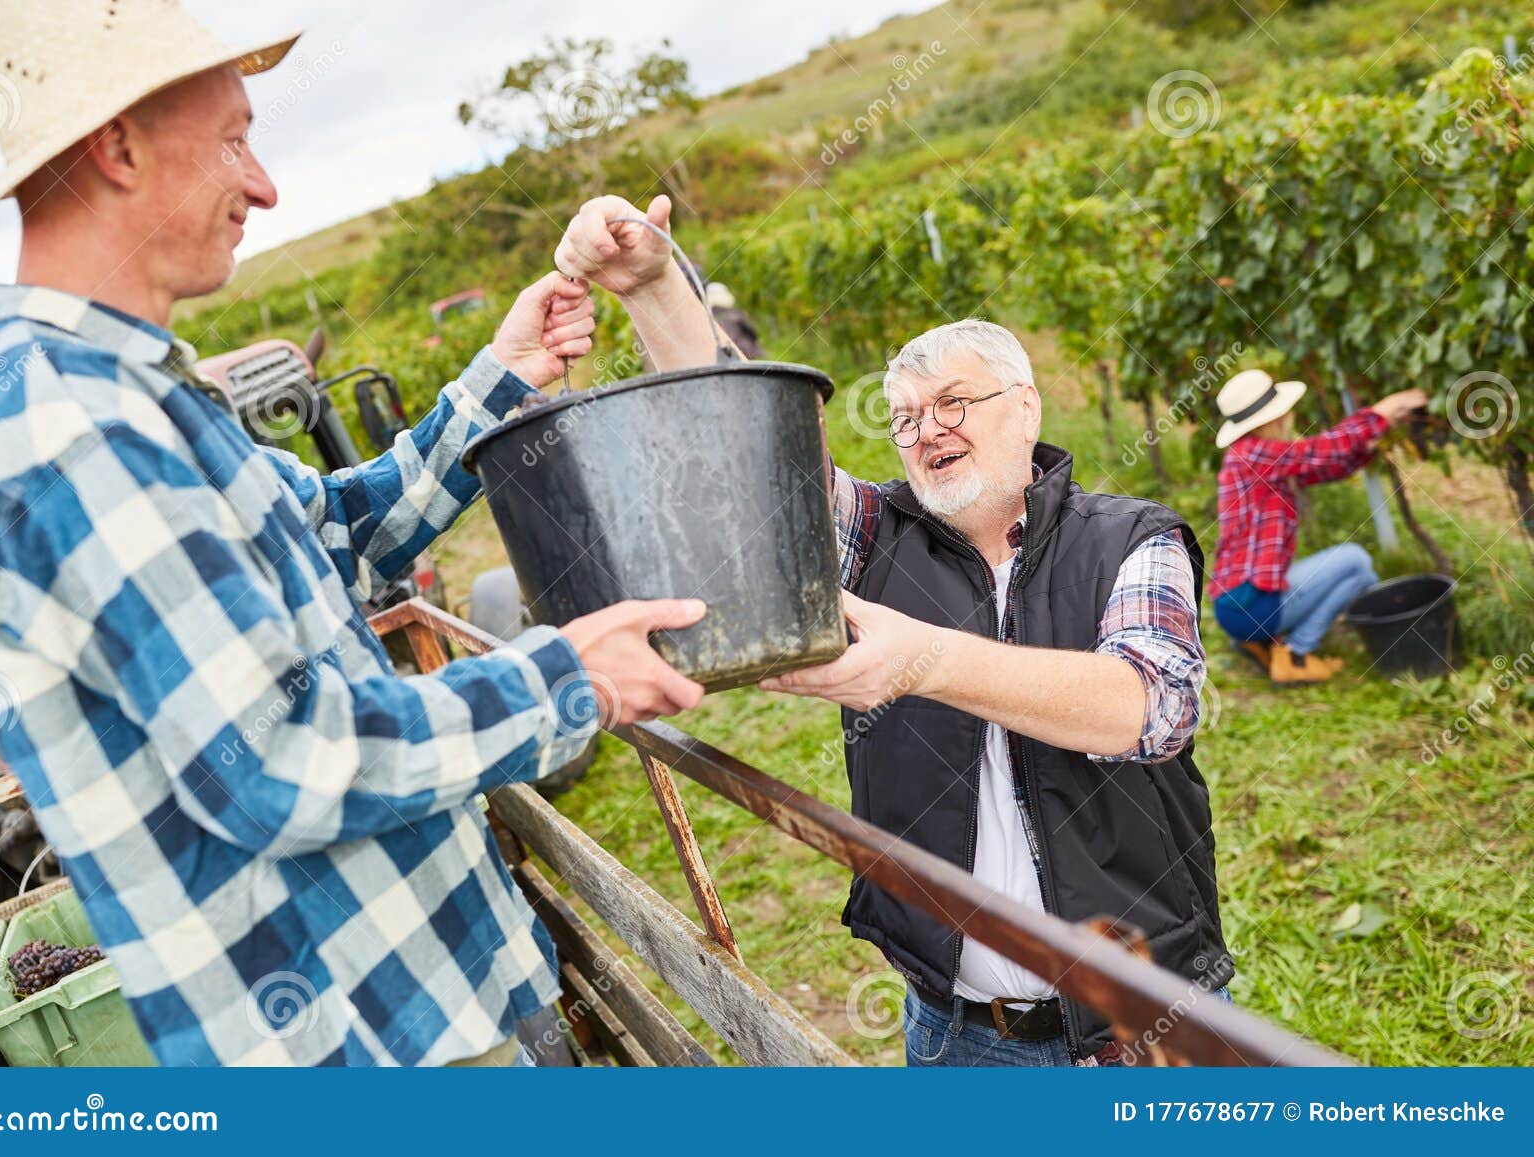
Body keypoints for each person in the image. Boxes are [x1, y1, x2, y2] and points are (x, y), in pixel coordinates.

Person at [0, 0, 705, 1067]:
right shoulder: (57, 419)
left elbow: (330, 533)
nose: (263, 186)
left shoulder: (122, 388)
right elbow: (276, 756)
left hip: (441, 993)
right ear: (118, 148)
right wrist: (566, 679)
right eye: (234, 140)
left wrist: (502, 376)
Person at [555, 193, 1231, 1067]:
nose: (925, 430)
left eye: (953, 402)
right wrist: (655, 287)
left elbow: (1150, 708)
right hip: (956, 1034)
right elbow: (748, 451)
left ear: (1026, 407)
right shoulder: (875, 536)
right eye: (905, 417)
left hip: (1146, 1029)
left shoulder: (1132, 539)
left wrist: (926, 661)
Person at [1208, 369, 1428, 684]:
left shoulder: (1253, 459)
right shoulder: (1252, 454)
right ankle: (1294, 654)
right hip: (1250, 605)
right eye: (1285, 411)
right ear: (1272, 420)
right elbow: (1319, 449)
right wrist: (1380, 413)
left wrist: (1364, 449)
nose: (1291, 416)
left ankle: (1263, 642)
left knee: (1362, 576)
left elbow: (1323, 468)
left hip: (1241, 603)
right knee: (1355, 559)